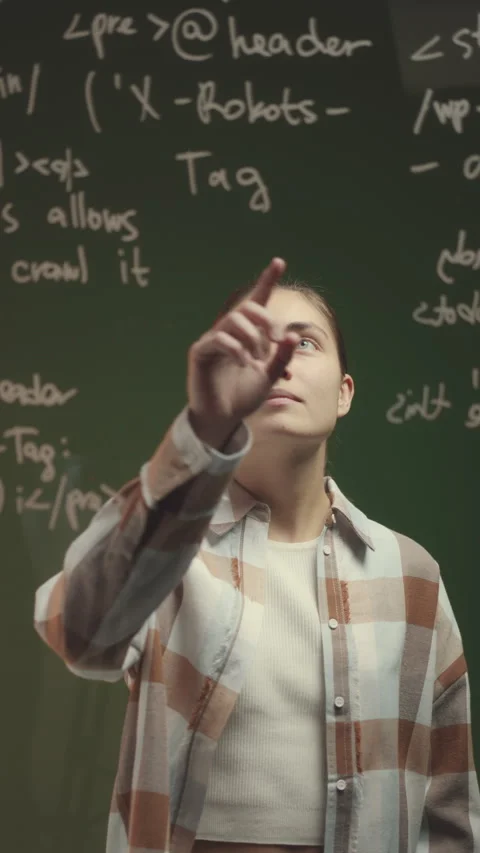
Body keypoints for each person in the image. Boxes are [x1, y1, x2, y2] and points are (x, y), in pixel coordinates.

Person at [34, 258, 480, 853]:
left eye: (305, 342)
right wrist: (201, 430)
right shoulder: (168, 555)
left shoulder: (410, 576)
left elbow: (450, 811)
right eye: (255, 346)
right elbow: (79, 633)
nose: (279, 360)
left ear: (344, 393)